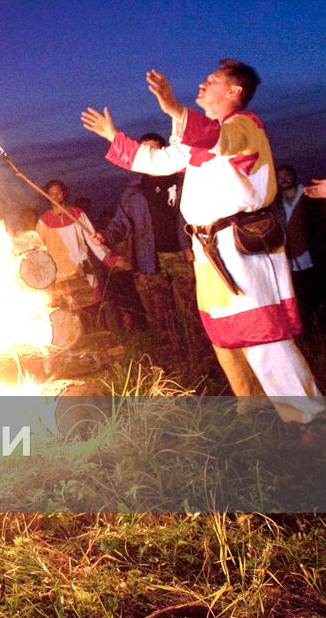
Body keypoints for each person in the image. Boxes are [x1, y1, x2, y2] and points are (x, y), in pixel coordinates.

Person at [82, 60, 326, 442]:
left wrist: (176, 109)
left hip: (241, 251)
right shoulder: (200, 139)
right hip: (211, 253)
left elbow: (217, 140)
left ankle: (310, 423)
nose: (202, 83)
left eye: (212, 81)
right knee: (226, 338)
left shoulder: (245, 126)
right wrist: (114, 135)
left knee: (262, 336)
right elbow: (161, 161)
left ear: (233, 93)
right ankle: (256, 416)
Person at [100, 133, 197, 339]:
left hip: (183, 255)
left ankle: (204, 365)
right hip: (148, 260)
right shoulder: (134, 191)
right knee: (160, 315)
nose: (149, 153)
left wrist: (194, 245)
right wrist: (105, 237)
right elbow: (121, 222)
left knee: (193, 311)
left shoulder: (183, 182)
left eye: (154, 149)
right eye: (144, 149)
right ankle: (171, 363)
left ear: (163, 152)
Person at [34, 180, 126, 328]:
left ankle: (100, 343)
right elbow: (39, 248)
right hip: (59, 275)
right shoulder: (44, 221)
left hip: (82, 269)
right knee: (69, 316)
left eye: (58, 193)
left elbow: (93, 240)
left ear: (64, 193)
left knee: (91, 310)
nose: (55, 196)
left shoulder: (77, 214)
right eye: (51, 194)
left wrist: (110, 259)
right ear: (47, 196)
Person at [274, 165, 323, 343]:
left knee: (319, 296)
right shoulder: (275, 204)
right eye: (280, 177)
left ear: (294, 176)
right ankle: (311, 339)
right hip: (291, 265)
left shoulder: (309, 196)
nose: (284, 179)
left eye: (287, 175)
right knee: (302, 304)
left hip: (314, 258)